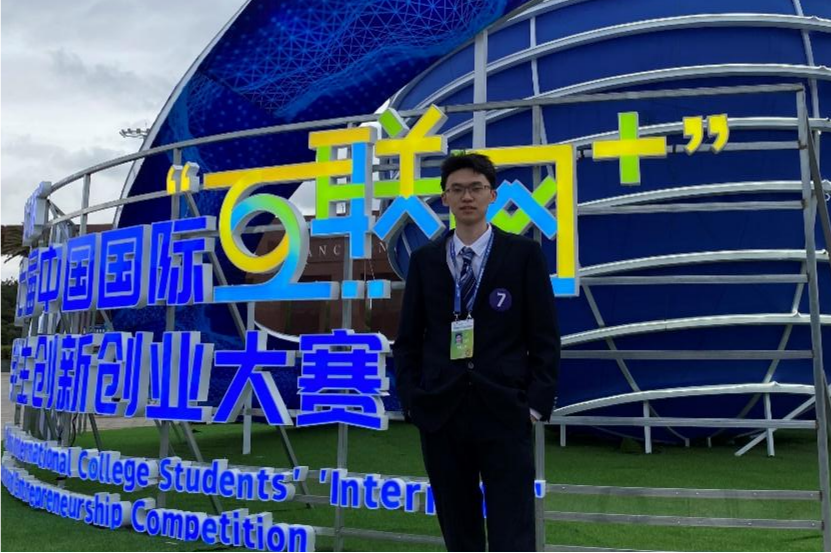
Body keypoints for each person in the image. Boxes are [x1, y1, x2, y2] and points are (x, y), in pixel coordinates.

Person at [393, 152, 561, 552]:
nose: (466, 197)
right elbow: (408, 339)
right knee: (458, 526)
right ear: (445, 198)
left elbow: (544, 336)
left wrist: (534, 406)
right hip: (442, 411)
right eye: (457, 189)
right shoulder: (425, 261)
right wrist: (413, 401)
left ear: (492, 195)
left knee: (512, 527)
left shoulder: (522, 255)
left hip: (505, 409)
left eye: (475, 188)